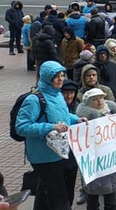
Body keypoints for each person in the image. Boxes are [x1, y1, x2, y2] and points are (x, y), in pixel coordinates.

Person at [15, 61, 87, 210]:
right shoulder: (34, 99)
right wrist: (50, 127)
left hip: (57, 152)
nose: (61, 79)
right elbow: (21, 127)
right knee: (58, 195)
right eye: (56, 76)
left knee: (45, 191)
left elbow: (62, 115)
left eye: (62, 75)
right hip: (43, 156)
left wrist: (76, 119)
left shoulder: (57, 94)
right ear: (47, 77)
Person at [76, 88, 116, 210]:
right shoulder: (83, 119)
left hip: (110, 157)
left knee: (111, 187)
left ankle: (111, 206)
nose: (99, 101)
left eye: (101, 98)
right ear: (88, 102)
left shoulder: (112, 112)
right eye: (95, 99)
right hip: (93, 159)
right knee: (93, 188)